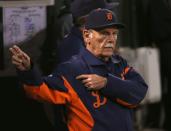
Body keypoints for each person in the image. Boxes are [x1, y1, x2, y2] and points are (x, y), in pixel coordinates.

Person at [9, 8, 148, 131]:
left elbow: (139, 91)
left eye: (114, 33)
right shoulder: (73, 69)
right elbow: (40, 90)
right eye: (104, 33)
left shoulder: (119, 63)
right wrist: (28, 70)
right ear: (87, 35)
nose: (111, 39)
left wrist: (106, 83)